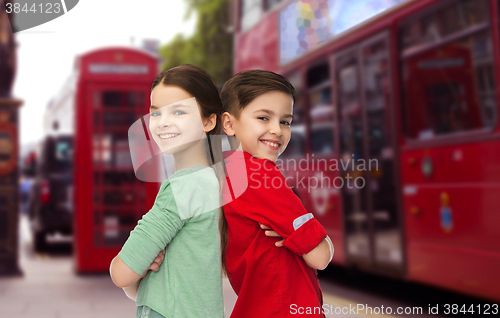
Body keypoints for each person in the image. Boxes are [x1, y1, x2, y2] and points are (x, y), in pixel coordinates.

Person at [109, 64, 225, 318]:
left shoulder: (183, 187)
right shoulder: (214, 181)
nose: (163, 123)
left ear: (209, 121)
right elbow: (139, 286)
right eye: (156, 113)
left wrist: (135, 266)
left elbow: (121, 273)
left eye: (179, 111)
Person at [220, 70, 334, 317]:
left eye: (285, 121)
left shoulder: (227, 171)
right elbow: (319, 256)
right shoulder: (262, 175)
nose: (277, 130)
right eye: (263, 117)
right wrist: (327, 244)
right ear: (229, 124)